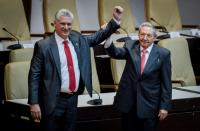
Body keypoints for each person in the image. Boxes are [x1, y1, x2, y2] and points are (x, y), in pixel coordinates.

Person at [28, 6, 123, 131]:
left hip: (72, 100)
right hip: (52, 100)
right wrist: (34, 103)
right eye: (62, 24)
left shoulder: (77, 39)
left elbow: (97, 37)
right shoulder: (43, 46)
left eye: (69, 24)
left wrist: (115, 21)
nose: (66, 27)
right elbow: (34, 74)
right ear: (54, 23)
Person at [104, 22, 172, 131]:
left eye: (148, 35)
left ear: (154, 38)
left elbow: (166, 83)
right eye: (142, 34)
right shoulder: (130, 46)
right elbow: (115, 53)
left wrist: (164, 106)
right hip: (129, 105)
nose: (144, 38)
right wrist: (107, 37)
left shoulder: (163, 54)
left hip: (150, 105)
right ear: (138, 35)